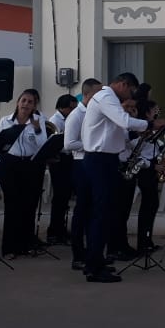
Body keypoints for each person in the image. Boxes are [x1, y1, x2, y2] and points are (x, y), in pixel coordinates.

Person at [82, 73, 149, 283]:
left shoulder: (109, 98)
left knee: (107, 212)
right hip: (99, 160)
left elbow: (118, 130)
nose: (130, 97)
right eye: (130, 91)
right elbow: (124, 121)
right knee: (101, 213)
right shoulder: (106, 97)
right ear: (123, 84)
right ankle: (94, 267)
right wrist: (148, 124)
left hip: (107, 159)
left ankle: (97, 261)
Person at [0, 89, 49, 258]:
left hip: (31, 165)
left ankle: (26, 244)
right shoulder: (5, 120)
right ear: (18, 102)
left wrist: (37, 129)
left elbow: (43, 144)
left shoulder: (39, 120)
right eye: (23, 100)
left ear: (34, 106)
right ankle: (9, 248)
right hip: (10, 165)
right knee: (12, 206)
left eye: (30, 102)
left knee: (29, 206)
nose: (26, 104)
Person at [113, 99, 163, 254]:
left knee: (126, 210)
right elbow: (133, 148)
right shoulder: (122, 126)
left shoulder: (133, 125)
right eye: (127, 107)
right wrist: (151, 165)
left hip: (134, 166)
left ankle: (128, 245)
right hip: (128, 167)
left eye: (133, 108)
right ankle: (118, 247)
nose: (130, 110)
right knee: (120, 211)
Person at [64, 78, 102, 272]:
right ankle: (78, 255)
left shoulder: (95, 112)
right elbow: (69, 143)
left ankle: (93, 254)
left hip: (93, 163)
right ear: (87, 95)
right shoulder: (76, 115)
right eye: (97, 94)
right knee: (82, 211)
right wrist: (92, 145)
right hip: (81, 164)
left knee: (94, 211)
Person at [46, 94, 79, 245]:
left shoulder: (68, 118)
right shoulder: (55, 121)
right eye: (70, 108)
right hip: (59, 160)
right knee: (60, 196)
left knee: (65, 197)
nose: (72, 111)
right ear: (61, 107)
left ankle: (61, 229)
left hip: (68, 160)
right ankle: (54, 231)